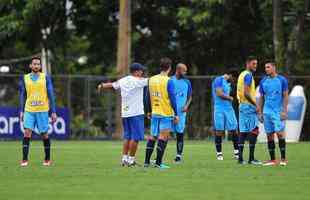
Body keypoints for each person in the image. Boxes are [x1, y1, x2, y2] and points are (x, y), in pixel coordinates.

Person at [97, 63, 148, 166]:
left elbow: (112, 84)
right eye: (141, 71)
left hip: (125, 113)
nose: (142, 72)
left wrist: (101, 85)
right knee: (136, 138)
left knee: (127, 137)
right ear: (137, 71)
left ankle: (124, 159)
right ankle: (131, 160)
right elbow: (153, 81)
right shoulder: (139, 81)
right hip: (136, 113)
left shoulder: (123, 80)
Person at [19, 57, 57, 167]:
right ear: (30, 66)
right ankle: (24, 160)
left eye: (38, 64)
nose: (36, 66)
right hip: (29, 110)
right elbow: (22, 95)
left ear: (40, 66)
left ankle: (47, 159)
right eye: (34, 64)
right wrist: (21, 111)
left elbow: (51, 94)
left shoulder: (45, 77)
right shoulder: (25, 78)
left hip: (42, 110)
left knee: (44, 134)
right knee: (27, 132)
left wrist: (53, 112)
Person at [144, 57, 179, 169]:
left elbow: (146, 97)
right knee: (163, 137)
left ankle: (146, 162)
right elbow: (173, 99)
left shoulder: (151, 79)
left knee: (152, 136)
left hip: (154, 112)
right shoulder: (169, 81)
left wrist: (148, 110)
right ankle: (158, 163)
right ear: (169, 68)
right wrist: (176, 114)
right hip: (166, 113)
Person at [258, 61, 289, 166]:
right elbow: (261, 98)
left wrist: (284, 110)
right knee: (269, 135)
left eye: (268, 67)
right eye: (265, 67)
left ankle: (283, 159)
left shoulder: (282, 80)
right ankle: (272, 160)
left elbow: (285, 96)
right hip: (267, 112)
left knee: (280, 134)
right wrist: (260, 113)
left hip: (277, 111)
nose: (266, 69)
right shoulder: (263, 81)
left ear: (274, 68)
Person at [236, 56, 262, 165]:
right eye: (253, 63)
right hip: (248, 106)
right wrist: (256, 104)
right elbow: (246, 93)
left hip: (242, 105)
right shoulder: (248, 75)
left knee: (242, 132)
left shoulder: (241, 74)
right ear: (248, 63)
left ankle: (241, 159)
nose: (255, 66)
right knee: (254, 130)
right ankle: (251, 158)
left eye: (256, 64)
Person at [212, 70, 239, 160]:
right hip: (219, 109)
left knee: (234, 130)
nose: (234, 81)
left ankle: (237, 153)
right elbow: (219, 93)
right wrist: (230, 98)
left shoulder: (229, 84)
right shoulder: (218, 80)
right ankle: (219, 154)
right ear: (231, 76)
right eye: (234, 79)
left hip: (229, 108)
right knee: (219, 130)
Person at [171, 63, 192, 163]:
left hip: (181, 113)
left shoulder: (187, 82)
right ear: (178, 70)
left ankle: (178, 156)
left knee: (180, 134)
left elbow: (190, 97)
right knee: (164, 134)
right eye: (184, 70)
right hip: (169, 112)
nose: (185, 72)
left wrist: (186, 106)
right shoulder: (170, 80)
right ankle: (158, 156)